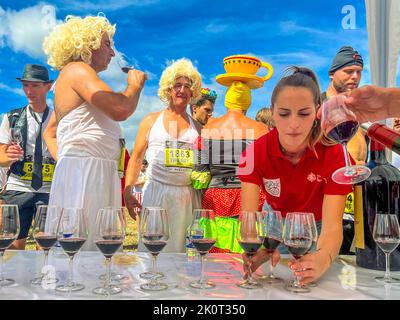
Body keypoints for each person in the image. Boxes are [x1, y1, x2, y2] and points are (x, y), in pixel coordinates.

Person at [238, 66, 353, 285]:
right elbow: (250, 220)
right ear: (272, 112)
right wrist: (257, 249)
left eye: (304, 113)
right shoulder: (253, 153)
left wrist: (323, 258)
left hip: (317, 226)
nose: (293, 124)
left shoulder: (335, 153)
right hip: (275, 222)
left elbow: (332, 228)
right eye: (283, 113)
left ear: (317, 111)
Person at [42, 15, 146, 250]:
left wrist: (67, 159)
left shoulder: (71, 76)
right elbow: (120, 108)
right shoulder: (77, 69)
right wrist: (135, 86)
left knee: (92, 248)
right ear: (87, 44)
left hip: (86, 170)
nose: (111, 53)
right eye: (108, 44)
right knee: (85, 248)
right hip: (86, 174)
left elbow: (50, 132)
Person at [124, 58, 202, 253]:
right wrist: (128, 191)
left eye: (187, 86)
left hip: (187, 198)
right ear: (168, 89)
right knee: (153, 252)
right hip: (155, 194)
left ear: (193, 92)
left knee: (185, 254)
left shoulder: (199, 128)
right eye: (177, 85)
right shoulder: (151, 120)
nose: (182, 90)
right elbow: (136, 158)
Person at [191, 81, 268, 253]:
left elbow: (200, 173)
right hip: (250, 196)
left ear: (227, 102)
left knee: (214, 255)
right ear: (247, 103)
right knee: (247, 253)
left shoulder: (209, 127)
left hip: (215, 197)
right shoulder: (260, 129)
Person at [0, 64, 55, 249]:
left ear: (48, 86)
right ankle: (15, 279)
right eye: (26, 85)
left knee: (45, 246)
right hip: (18, 186)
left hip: (49, 189)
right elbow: (0, 156)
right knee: (13, 248)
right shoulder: (12, 117)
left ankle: (44, 278)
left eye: (35, 86)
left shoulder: (59, 118)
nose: (29, 91)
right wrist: (8, 156)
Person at [322, 46, 367, 254]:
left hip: (355, 207)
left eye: (359, 72)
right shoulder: (317, 106)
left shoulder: (358, 109)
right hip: (324, 208)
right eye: (349, 71)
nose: (355, 77)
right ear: (332, 73)